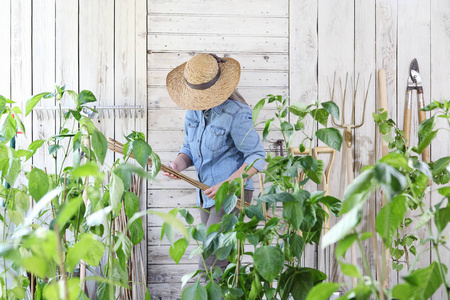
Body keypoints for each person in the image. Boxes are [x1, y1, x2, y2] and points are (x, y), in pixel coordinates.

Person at [162, 53, 266, 272]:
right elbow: (189, 148)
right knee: (218, 263)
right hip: (207, 192)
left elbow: (257, 157)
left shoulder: (236, 113)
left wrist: (227, 184)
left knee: (210, 263)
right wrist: (178, 165)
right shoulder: (194, 111)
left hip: (231, 193)